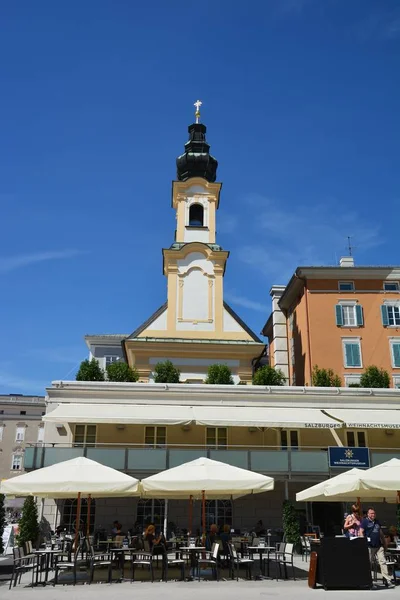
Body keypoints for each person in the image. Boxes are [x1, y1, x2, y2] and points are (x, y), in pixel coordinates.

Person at [360, 507, 395, 588]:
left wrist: (385, 544)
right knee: (369, 564)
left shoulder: (377, 521)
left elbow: (381, 533)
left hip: (378, 546)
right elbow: (361, 531)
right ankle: (369, 582)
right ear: (368, 514)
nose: (373, 515)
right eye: (371, 513)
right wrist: (363, 541)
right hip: (369, 546)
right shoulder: (365, 521)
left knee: (382, 562)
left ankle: (387, 580)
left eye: (374, 513)